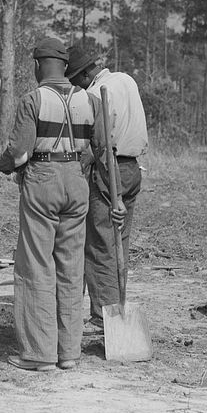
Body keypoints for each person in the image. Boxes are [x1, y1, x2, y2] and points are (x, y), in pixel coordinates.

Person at [0, 37, 118, 371]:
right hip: (77, 182)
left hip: (42, 178)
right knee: (71, 267)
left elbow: (18, 153)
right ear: (65, 66)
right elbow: (101, 148)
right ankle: (69, 353)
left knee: (36, 265)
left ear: (38, 65)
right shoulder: (90, 100)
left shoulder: (33, 99)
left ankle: (39, 354)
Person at [64, 45, 148, 335]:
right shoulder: (127, 80)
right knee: (118, 240)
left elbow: (99, 140)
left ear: (87, 73)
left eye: (77, 78)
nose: (77, 84)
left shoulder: (96, 94)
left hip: (109, 168)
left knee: (99, 243)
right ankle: (118, 307)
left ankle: (103, 315)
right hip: (132, 169)